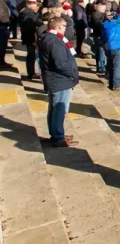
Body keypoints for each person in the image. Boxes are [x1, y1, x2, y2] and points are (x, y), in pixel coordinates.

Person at [39, 17, 80, 147]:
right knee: (59, 109)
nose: (65, 28)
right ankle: (58, 137)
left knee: (54, 108)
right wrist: (73, 75)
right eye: (64, 26)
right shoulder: (55, 41)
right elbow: (61, 64)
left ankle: (56, 133)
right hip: (60, 80)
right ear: (57, 27)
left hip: (55, 80)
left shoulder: (48, 38)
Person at [101, 8, 120, 90]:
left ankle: (111, 83)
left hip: (109, 47)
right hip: (118, 47)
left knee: (111, 65)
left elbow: (103, 37)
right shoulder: (115, 22)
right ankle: (116, 85)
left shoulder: (104, 24)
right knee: (117, 66)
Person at [20, 0, 41, 80]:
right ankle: (31, 73)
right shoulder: (28, 13)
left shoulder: (26, 11)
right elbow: (31, 26)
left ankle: (31, 73)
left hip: (28, 36)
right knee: (31, 55)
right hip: (30, 37)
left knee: (31, 55)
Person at [88, 1, 107, 76]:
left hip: (99, 35)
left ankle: (101, 66)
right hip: (98, 35)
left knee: (101, 51)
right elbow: (98, 25)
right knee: (100, 51)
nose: (104, 9)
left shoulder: (99, 14)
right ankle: (101, 68)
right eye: (103, 7)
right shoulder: (96, 14)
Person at [0, 0, 9, 70]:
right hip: (2, 26)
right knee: (2, 45)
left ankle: (2, 61)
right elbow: (2, 16)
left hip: (4, 26)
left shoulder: (2, 2)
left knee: (3, 46)